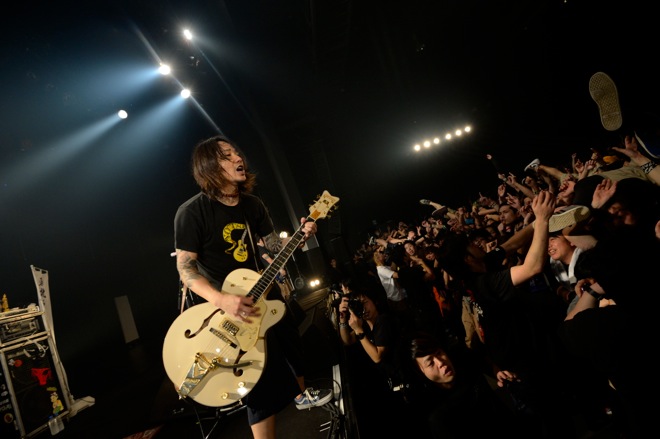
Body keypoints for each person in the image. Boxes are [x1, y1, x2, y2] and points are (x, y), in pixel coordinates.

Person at [173, 134, 332, 439]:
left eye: (237, 153)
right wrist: (221, 300)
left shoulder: (253, 205)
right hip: (227, 308)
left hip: (263, 292)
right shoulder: (192, 212)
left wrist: (300, 237)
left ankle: (301, 395)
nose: (238, 158)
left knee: (292, 343)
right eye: (227, 155)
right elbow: (186, 269)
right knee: (258, 384)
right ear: (208, 166)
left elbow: (273, 247)